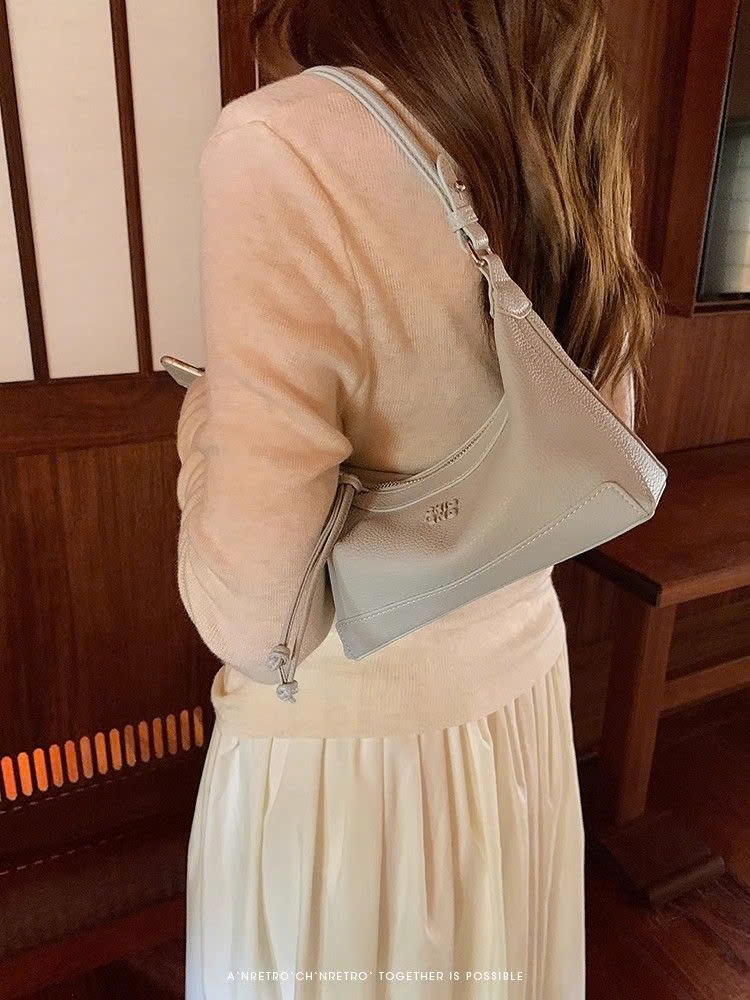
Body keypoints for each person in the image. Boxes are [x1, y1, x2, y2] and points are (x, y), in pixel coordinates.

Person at [177, 2, 661, 997]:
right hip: (521, 700)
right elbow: (598, 424)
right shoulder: (561, 105)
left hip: (357, 768)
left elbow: (256, 623)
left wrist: (202, 425)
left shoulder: (279, 144)